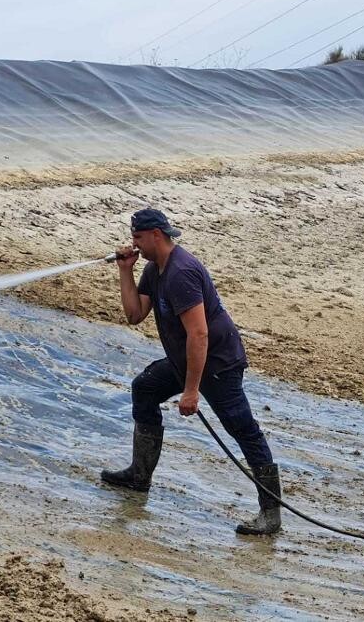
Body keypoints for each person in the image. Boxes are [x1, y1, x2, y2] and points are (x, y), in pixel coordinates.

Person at [100, 207, 281, 535]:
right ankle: (140, 476)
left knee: (242, 428)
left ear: (157, 235)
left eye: (137, 238)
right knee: (145, 388)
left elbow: (199, 334)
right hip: (188, 358)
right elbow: (134, 314)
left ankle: (271, 514)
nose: (133, 244)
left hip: (216, 362)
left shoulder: (181, 272)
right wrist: (125, 271)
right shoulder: (154, 269)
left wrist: (191, 391)